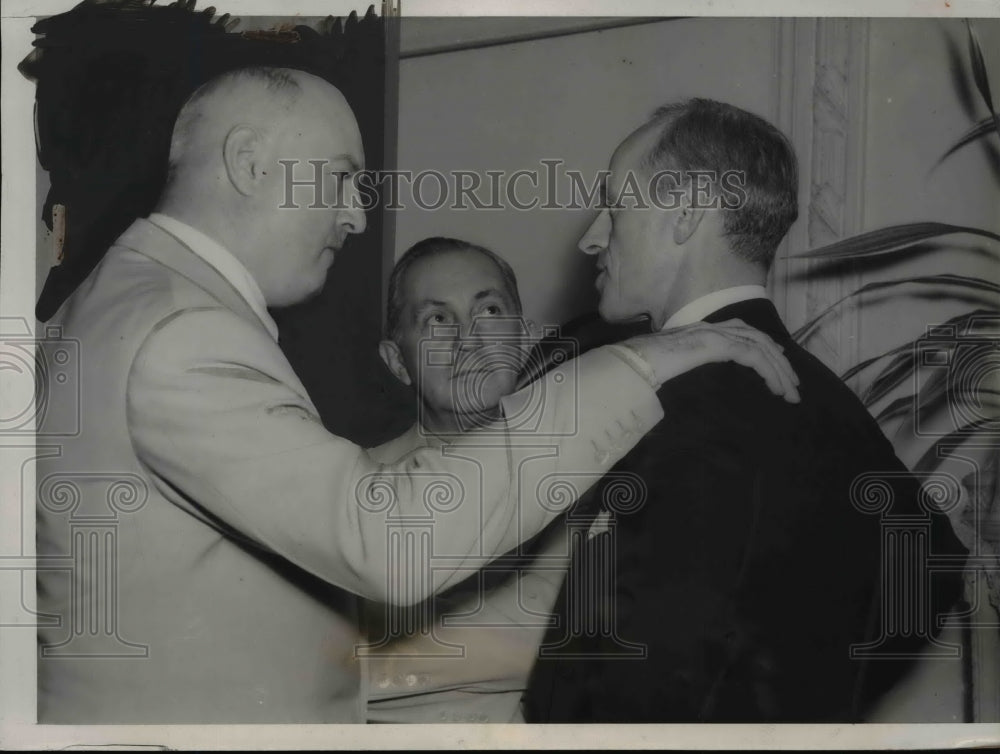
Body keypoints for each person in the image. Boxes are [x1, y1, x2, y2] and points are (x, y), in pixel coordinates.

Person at [34, 70, 800, 723]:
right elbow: (388, 542)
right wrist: (639, 363)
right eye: (342, 178)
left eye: (491, 308)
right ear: (248, 161)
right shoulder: (178, 329)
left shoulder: (114, 307)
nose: (357, 215)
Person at [523, 98, 969, 723]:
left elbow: (639, 682)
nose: (591, 236)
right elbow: (936, 560)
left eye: (615, 206)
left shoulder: (676, 404)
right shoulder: (823, 395)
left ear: (684, 213)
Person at [362, 236, 570, 724]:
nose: (468, 339)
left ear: (523, 334)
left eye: (490, 310)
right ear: (397, 362)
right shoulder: (357, 490)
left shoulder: (588, 482)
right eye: (437, 320)